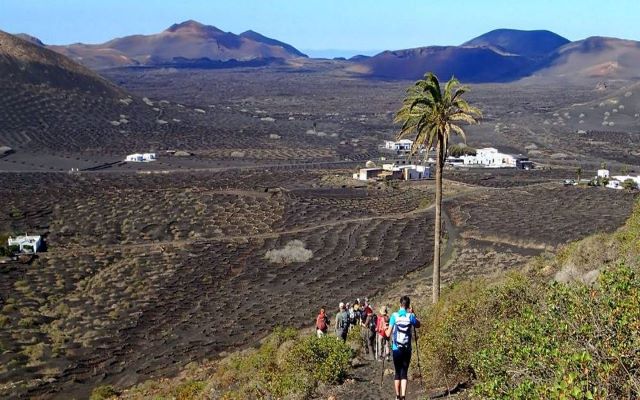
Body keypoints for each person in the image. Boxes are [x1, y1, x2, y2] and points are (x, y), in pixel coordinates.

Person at [386, 296, 420, 400]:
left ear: (400, 304)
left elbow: (388, 334)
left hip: (396, 348)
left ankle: (397, 396)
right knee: (404, 372)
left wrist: (385, 329)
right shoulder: (410, 316)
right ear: (408, 305)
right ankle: (403, 396)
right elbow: (418, 325)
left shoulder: (394, 316)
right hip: (407, 349)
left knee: (397, 372)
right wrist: (413, 314)